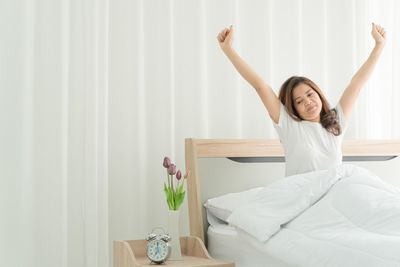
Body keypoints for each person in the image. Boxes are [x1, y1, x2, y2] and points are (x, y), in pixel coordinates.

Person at [217, 23, 386, 177]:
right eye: (298, 101)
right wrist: (228, 50)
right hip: (300, 194)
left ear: (318, 94)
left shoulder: (336, 121)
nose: (307, 101)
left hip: (333, 193)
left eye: (310, 94)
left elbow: (356, 85)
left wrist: (379, 45)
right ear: (293, 109)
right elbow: (260, 86)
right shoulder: (289, 125)